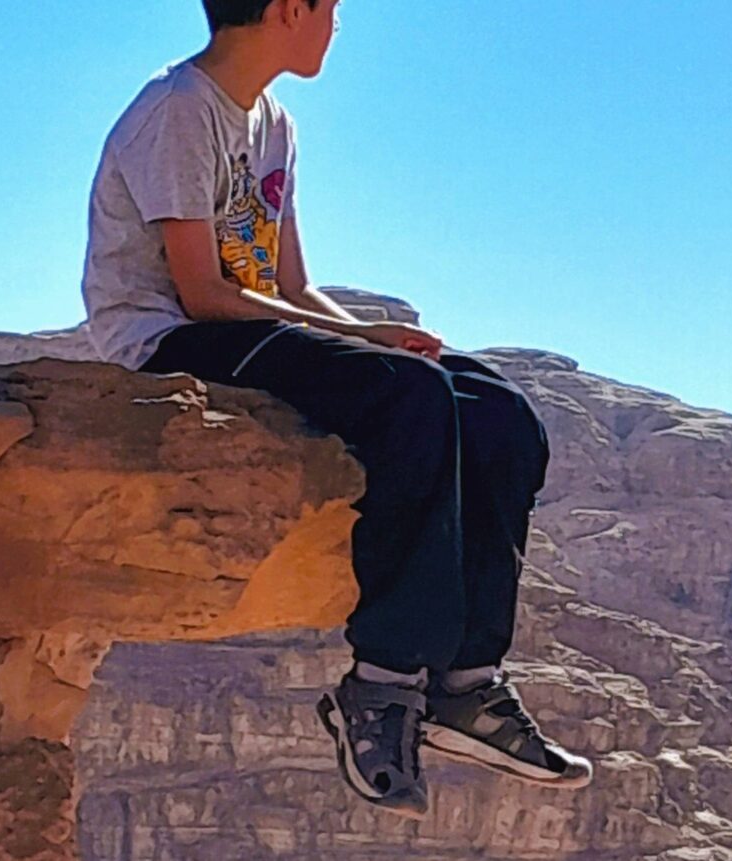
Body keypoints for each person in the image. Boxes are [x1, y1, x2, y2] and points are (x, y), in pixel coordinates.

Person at [79, 0, 592, 819]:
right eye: (334, 9)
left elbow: (288, 286)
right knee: (411, 399)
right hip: (167, 339)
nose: (339, 25)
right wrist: (366, 351)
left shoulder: (272, 122)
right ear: (290, 9)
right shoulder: (177, 112)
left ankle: (467, 684)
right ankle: (382, 686)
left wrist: (368, 338)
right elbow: (204, 295)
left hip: (238, 323)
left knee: (500, 413)